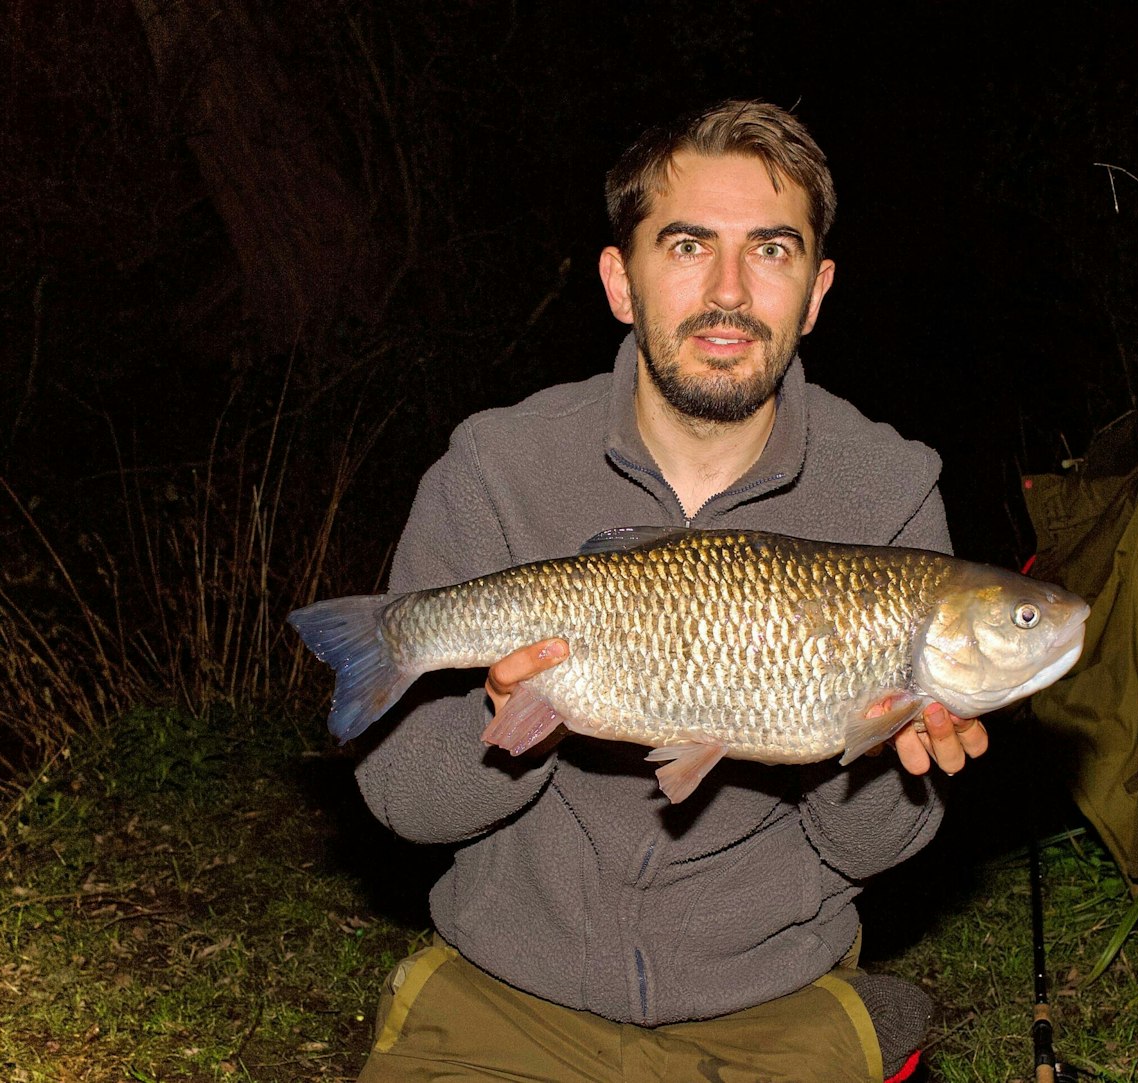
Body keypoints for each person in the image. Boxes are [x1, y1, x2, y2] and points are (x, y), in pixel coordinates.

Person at [352, 99, 990, 1083]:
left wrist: (866, 744)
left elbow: (875, 851)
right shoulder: (498, 467)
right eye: (689, 244)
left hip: (772, 1002)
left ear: (815, 292)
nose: (729, 291)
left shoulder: (889, 489)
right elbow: (398, 797)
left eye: (771, 250)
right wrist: (504, 724)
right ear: (622, 280)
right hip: (506, 992)